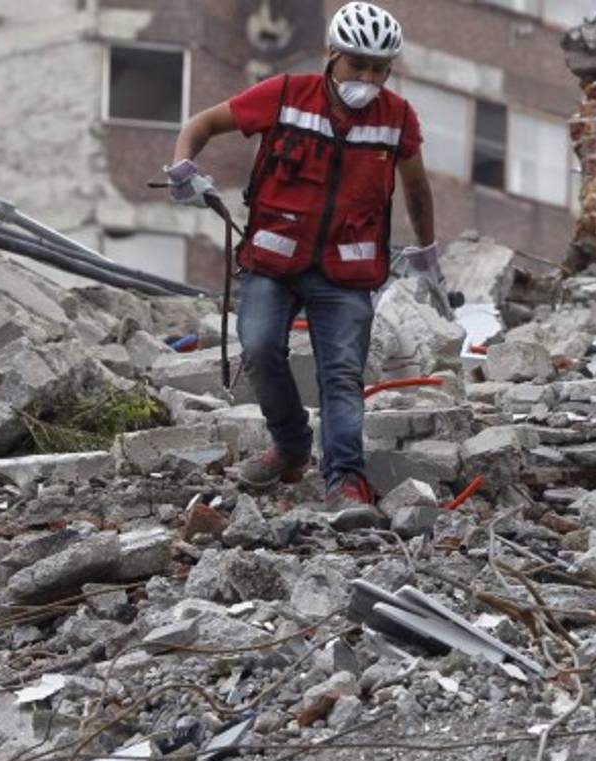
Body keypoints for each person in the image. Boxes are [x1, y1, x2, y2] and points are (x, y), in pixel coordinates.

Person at [165, 2, 442, 521]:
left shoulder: (397, 118)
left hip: (346, 272)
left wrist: (427, 250)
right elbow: (204, 123)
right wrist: (183, 166)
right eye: (358, 64)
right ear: (332, 54)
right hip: (274, 259)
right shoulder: (287, 95)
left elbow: (417, 187)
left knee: (341, 375)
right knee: (261, 347)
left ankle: (346, 482)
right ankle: (291, 445)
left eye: (379, 69)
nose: (368, 77)